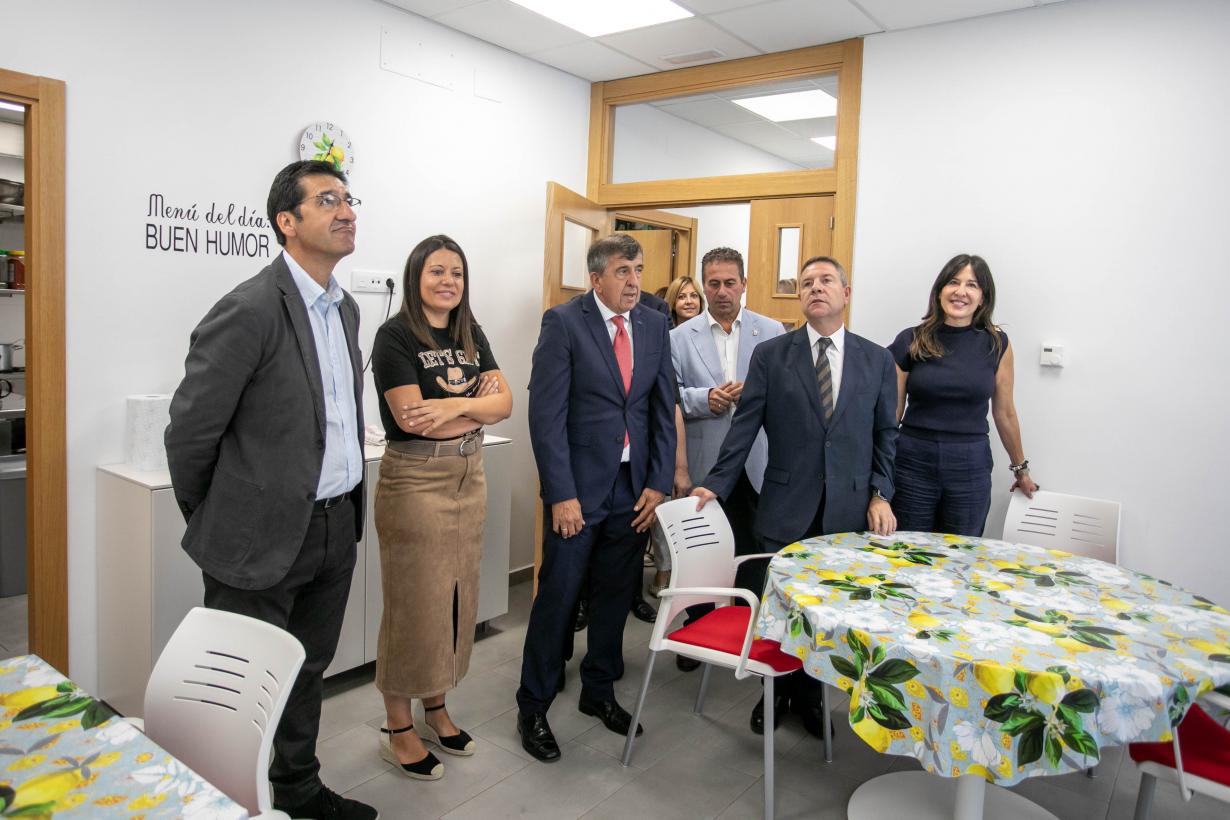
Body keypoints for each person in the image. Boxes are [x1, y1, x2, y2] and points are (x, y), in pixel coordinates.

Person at [165, 160, 376, 820]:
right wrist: (218, 516)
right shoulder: (250, 308)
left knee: (306, 670)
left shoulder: (345, 309)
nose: (347, 212)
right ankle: (226, 804)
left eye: (349, 199)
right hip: (257, 536)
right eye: (328, 200)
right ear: (287, 221)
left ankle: (298, 792)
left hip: (334, 526)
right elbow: (190, 432)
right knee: (237, 690)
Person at [691, 255, 898, 738]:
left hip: (847, 510)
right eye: (806, 283)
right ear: (799, 297)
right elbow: (745, 427)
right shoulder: (772, 356)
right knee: (782, 610)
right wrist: (716, 483)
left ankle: (812, 698)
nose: (815, 288)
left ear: (846, 293)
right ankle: (775, 693)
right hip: (785, 506)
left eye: (825, 281)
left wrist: (880, 494)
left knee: (829, 612)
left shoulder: (877, 360)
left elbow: (886, 435)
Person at [517, 233, 676, 763]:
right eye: (623, 271)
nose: (634, 281)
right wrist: (561, 494)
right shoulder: (564, 323)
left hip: (633, 490)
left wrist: (657, 482)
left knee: (615, 594)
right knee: (560, 596)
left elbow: (662, 407)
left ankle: (599, 690)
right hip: (578, 493)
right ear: (596, 278)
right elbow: (546, 417)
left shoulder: (654, 324)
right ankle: (533, 705)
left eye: (639, 270)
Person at [370, 235, 512, 780]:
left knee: (455, 598)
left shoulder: (469, 331)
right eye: (437, 271)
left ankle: (436, 708)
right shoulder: (395, 335)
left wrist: (452, 407)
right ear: (416, 277)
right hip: (416, 479)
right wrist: (476, 408)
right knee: (414, 604)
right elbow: (413, 420)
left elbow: (505, 403)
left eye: (456, 272)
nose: (448, 281)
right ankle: (397, 726)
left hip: (469, 474)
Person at [670, 249, 784, 681]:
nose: (722, 291)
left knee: (756, 550)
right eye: (713, 283)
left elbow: (787, 393)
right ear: (704, 286)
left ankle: (752, 632)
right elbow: (669, 396)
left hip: (758, 461)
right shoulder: (679, 337)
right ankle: (698, 628)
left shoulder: (771, 332)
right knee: (704, 552)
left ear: (743, 284)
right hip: (706, 460)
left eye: (729, 283)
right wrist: (705, 398)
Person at [888, 253, 1037, 536]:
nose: (961, 291)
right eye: (953, 282)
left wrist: (1021, 470)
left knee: (962, 553)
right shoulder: (911, 340)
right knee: (906, 549)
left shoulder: (997, 344)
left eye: (972, 285)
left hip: (970, 465)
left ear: (983, 298)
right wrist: (877, 472)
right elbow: (891, 414)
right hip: (912, 462)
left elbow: (1005, 412)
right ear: (939, 290)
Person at [647, 274, 708, 598]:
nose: (688, 301)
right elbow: (669, 399)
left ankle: (692, 573)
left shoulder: (711, 337)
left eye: (693, 295)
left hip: (705, 439)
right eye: (682, 296)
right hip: (669, 435)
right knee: (665, 510)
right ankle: (664, 569)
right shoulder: (664, 338)